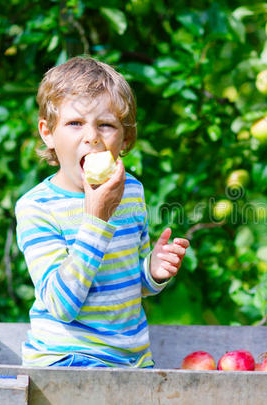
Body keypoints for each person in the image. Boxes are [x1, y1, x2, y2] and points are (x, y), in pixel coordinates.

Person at [15, 56, 190, 368]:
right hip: (68, 358)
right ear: (48, 133)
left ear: (125, 138)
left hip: (130, 358)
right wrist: (96, 220)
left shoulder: (131, 191)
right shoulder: (37, 208)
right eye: (75, 123)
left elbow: (126, 285)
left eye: (106, 125)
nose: (91, 136)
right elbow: (61, 305)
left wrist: (152, 270)